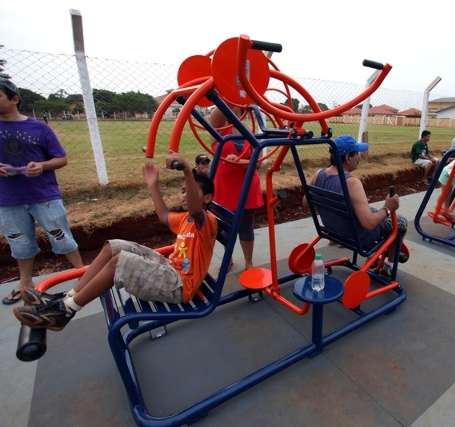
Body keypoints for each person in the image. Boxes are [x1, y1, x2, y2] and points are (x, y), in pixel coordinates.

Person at [13, 154, 217, 331]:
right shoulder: (186, 219)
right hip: (169, 269)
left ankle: (65, 312)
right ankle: (68, 297)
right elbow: (164, 215)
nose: (184, 195)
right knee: (114, 246)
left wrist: (188, 173)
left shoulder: (205, 221)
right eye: (182, 191)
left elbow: (194, 206)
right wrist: (153, 186)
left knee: (120, 262)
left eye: (188, 191)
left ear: (207, 198)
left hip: (180, 286)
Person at [0, 79, 83, 305]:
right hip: (8, 200)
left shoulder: (39, 129)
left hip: (44, 196)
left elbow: (62, 158)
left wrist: (43, 166)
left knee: (62, 236)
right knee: (19, 244)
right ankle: (25, 284)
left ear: (14, 99)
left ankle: (83, 276)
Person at [307, 135, 407, 276]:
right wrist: (388, 208)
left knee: (372, 211)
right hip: (356, 236)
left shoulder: (318, 174)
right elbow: (369, 223)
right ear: (348, 157)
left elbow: (306, 202)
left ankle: (381, 253)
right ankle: (388, 266)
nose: (359, 157)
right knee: (400, 222)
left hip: (333, 230)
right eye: (357, 154)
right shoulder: (352, 183)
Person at [208, 106, 263, 271]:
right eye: (230, 108)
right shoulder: (219, 132)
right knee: (224, 227)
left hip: (247, 189)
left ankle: (249, 262)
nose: (233, 110)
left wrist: (239, 162)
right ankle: (228, 259)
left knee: (246, 227)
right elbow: (216, 115)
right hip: (225, 190)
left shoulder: (251, 134)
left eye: (236, 108)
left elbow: (259, 163)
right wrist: (227, 95)